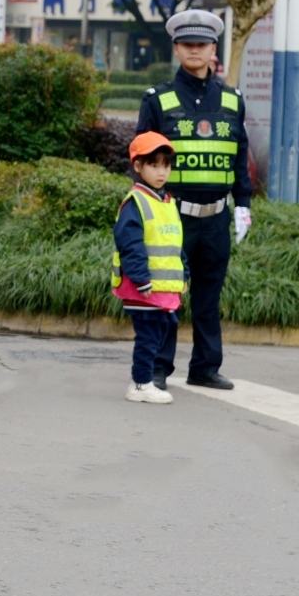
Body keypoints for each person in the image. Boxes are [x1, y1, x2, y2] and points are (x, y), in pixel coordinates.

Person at [131, 9, 249, 390]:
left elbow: (239, 155)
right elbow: (140, 156)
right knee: (167, 293)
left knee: (209, 296)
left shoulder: (232, 101)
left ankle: (205, 367)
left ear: (214, 48)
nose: (194, 50)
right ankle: (158, 368)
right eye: (186, 44)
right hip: (171, 215)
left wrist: (243, 203)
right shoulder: (158, 100)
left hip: (216, 216)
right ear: (176, 49)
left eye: (201, 44)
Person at [113, 131, 184, 405]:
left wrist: (184, 274)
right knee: (148, 337)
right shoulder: (136, 202)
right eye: (154, 165)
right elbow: (130, 244)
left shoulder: (166, 201)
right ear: (138, 166)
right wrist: (141, 279)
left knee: (158, 335)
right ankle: (141, 384)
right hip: (143, 288)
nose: (161, 172)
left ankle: (143, 381)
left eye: (165, 165)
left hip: (162, 288)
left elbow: (176, 244)